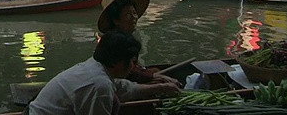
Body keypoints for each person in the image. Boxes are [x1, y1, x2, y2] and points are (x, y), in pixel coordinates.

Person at [27, 31, 179, 115]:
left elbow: (124, 88)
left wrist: (161, 88)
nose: (134, 66)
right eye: (132, 61)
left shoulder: (96, 67)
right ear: (119, 62)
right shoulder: (100, 85)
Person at [97, 0, 181, 86]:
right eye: (128, 15)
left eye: (134, 13)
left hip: (129, 77)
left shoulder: (125, 36)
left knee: (157, 71)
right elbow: (125, 72)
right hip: (120, 83)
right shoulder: (114, 41)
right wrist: (153, 77)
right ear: (116, 21)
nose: (134, 18)